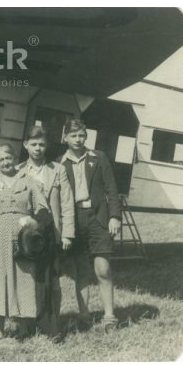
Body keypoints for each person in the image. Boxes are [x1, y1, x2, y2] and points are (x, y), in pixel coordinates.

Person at [0, 144, 49, 340]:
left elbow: (42, 210)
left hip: (22, 241)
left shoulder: (30, 181)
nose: (5, 162)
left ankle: (24, 328)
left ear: (15, 159)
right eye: (1, 160)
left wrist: (32, 223)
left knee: (24, 279)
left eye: (8, 158)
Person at [59, 119, 121, 331]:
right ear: (65, 137)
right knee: (81, 270)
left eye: (81, 135)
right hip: (74, 219)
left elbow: (112, 189)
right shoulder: (60, 164)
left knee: (102, 268)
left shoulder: (99, 157)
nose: (78, 140)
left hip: (98, 218)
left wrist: (115, 216)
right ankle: (84, 315)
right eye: (73, 136)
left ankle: (110, 316)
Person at [17, 125, 75, 337]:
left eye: (42, 144)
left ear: (47, 146)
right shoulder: (18, 171)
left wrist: (67, 233)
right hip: (27, 234)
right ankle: (27, 324)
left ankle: (52, 324)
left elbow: (67, 203)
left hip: (52, 233)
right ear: (26, 145)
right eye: (33, 144)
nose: (38, 148)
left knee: (52, 279)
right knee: (28, 279)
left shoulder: (57, 170)